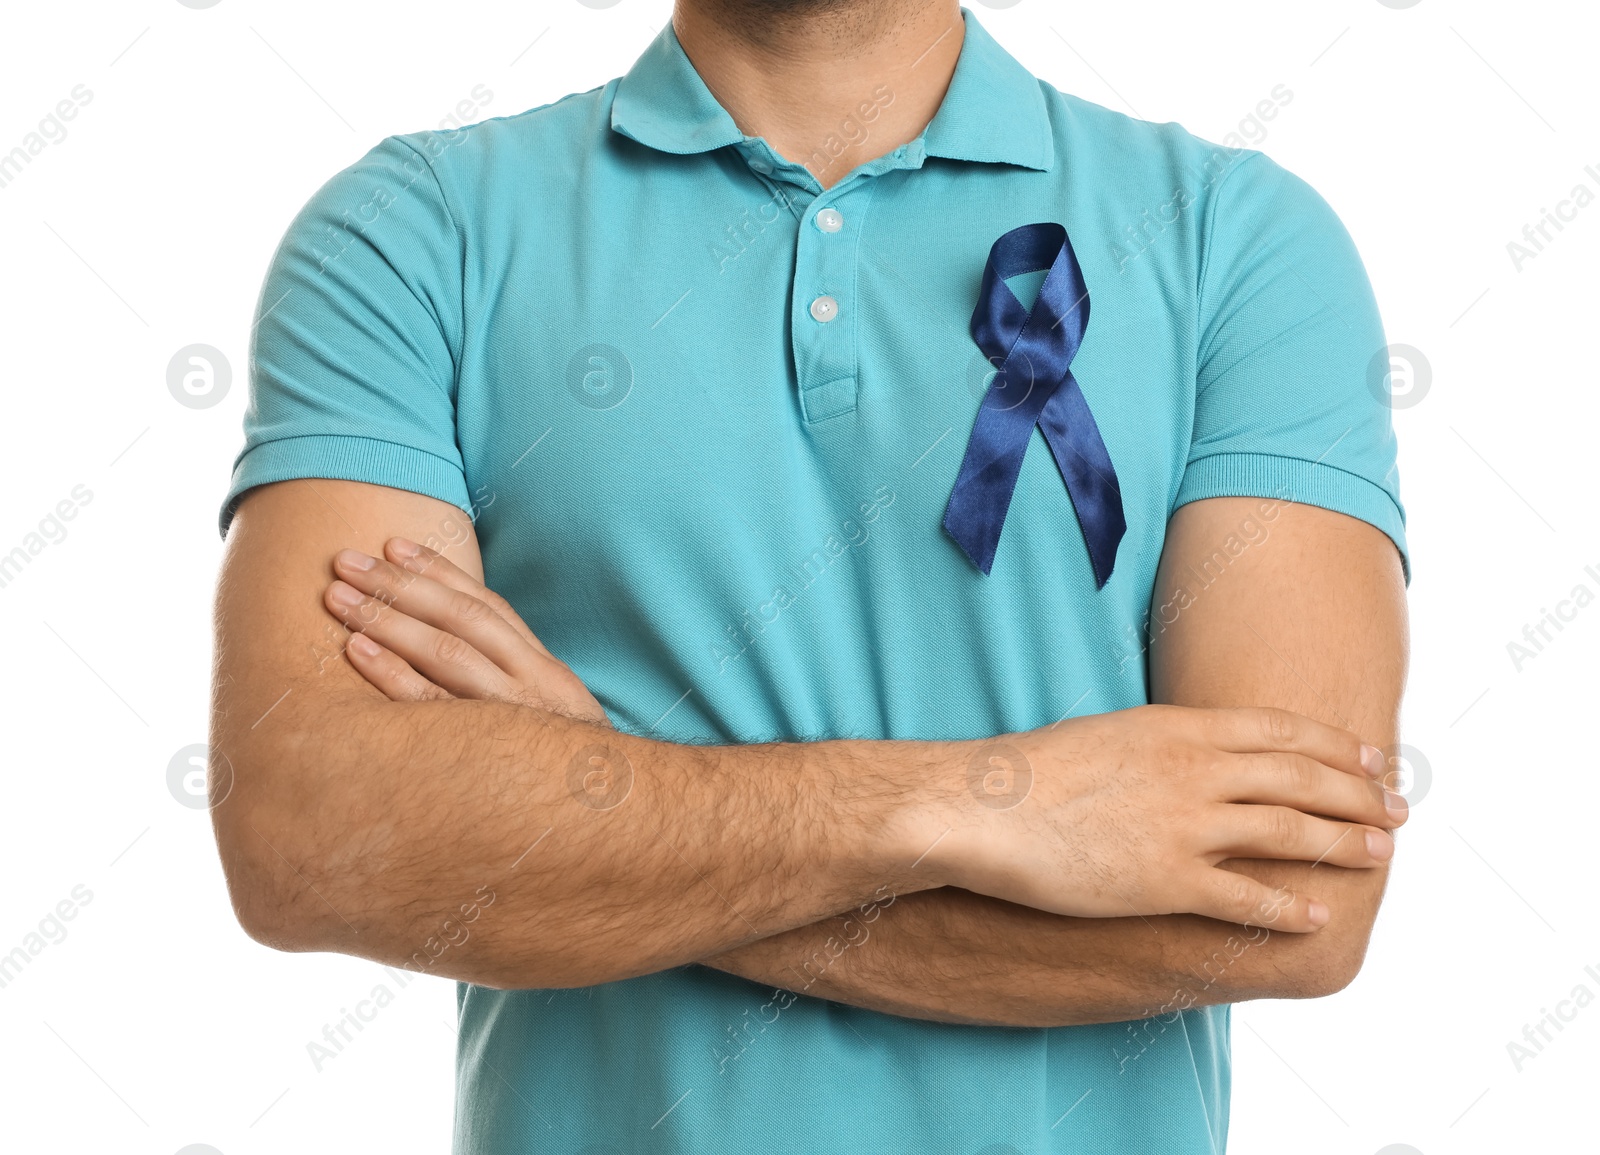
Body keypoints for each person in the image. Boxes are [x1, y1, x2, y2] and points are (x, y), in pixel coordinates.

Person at [209, 1, 1411, 1151]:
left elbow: (1291, 899)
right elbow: (309, 837)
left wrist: (602, 804)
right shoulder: (413, 234)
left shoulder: (1233, 235)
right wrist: (989, 804)